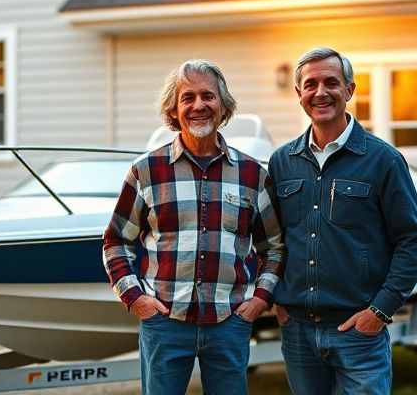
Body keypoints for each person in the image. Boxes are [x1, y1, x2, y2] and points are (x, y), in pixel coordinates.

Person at [102, 59, 285, 394]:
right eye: (188, 98)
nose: (199, 105)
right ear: (174, 109)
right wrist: (134, 297)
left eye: (208, 96)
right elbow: (116, 241)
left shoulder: (252, 174)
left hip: (229, 323)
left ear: (223, 105)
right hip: (163, 322)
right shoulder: (146, 170)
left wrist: (260, 299)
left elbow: (274, 246)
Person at [269, 47, 417, 394]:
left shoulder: (383, 160)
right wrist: (277, 301)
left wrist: (380, 311)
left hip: (358, 332)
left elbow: (412, 241)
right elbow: (271, 240)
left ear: (350, 91)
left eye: (331, 83)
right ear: (299, 95)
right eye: (310, 85)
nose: (320, 92)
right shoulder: (282, 162)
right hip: (297, 332)